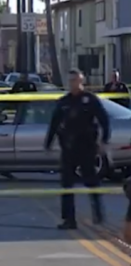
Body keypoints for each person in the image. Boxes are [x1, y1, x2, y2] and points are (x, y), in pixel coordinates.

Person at [44, 69, 109, 229]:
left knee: (91, 181)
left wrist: (103, 141)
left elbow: (104, 120)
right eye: (71, 80)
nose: (73, 84)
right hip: (68, 147)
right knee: (66, 184)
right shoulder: (64, 102)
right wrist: (48, 142)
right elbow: (54, 122)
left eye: (76, 80)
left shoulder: (90, 100)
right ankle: (69, 219)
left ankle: (98, 214)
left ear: (82, 81)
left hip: (87, 147)